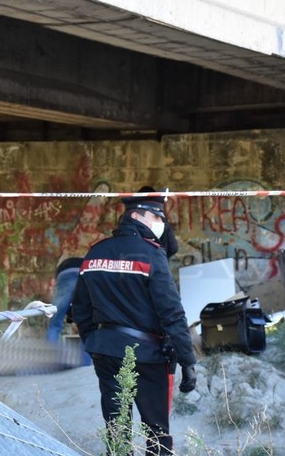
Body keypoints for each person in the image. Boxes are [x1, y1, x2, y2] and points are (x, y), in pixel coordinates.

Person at [72, 193, 197, 455]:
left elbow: (80, 309)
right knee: (157, 431)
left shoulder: (94, 253)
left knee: (117, 427)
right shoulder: (151, 255)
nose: (161, 222)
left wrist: (94, 344)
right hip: (148, 356)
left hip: (106, 351)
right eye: (157, 216)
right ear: (137, 216)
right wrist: (187, 359)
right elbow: (171, 313)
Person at [128, 186, 178, 259]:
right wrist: (162, 257)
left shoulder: (129, 218)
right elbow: (173, 248)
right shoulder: (162, 220)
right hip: (160, 263)